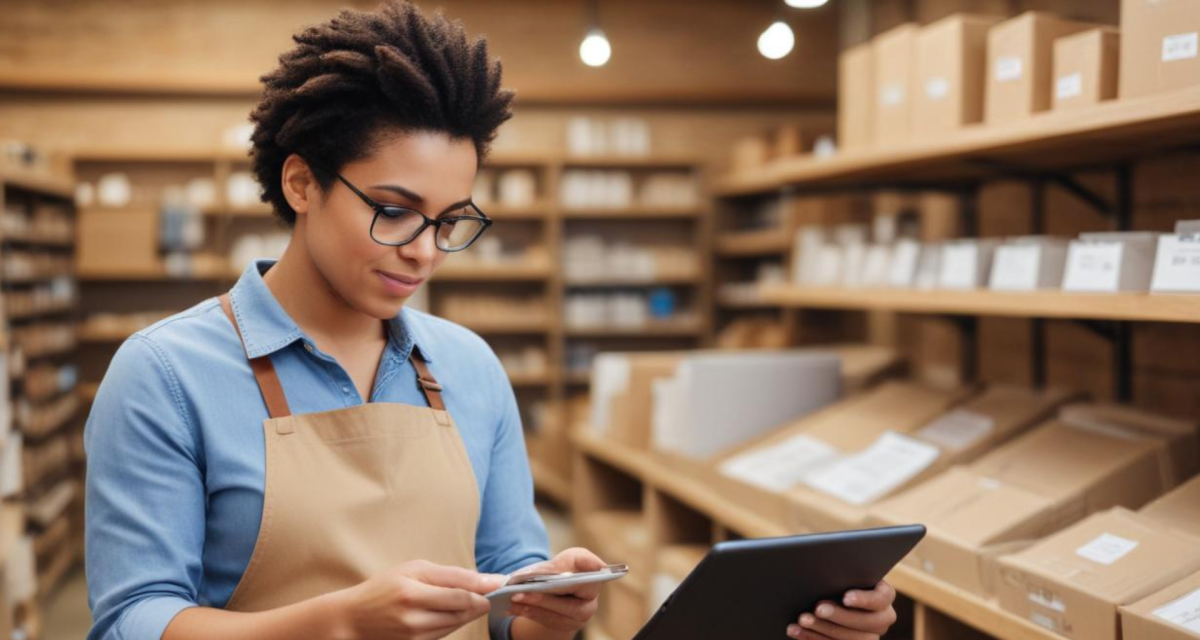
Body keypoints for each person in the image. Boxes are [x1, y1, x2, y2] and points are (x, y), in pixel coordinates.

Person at [83, 3, 898, 640]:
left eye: (450, 221)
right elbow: (135, 619)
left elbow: (509, 580)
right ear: (301, 183)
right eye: (396, 212)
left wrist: (544, 606)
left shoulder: (465, 365)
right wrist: (341, 623)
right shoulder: (166, 374)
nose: (426, 251)